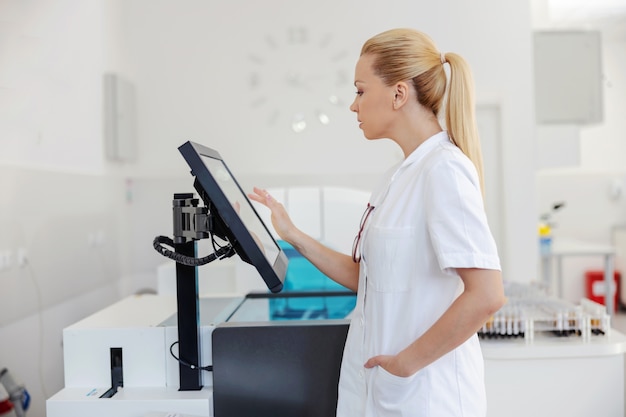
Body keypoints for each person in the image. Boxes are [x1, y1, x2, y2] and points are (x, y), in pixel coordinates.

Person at [248, 28, 506, 417]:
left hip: (425, 397)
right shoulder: (396, 177)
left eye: (360, 91)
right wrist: (292, 236)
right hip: (384, 391)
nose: (354, 106)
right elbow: (367, 278)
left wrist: (406, 365)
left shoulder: (444, 170)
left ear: (399, 94)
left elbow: (486, 294)